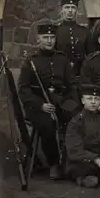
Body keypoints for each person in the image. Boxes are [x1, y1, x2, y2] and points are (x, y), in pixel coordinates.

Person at [17, 23, 81, 180]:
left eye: (52, 37)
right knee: (47, 125)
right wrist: (41, 105)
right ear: (38, 39)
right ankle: (54, 163)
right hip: (39, 105)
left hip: (61, 101)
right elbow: (23, 90)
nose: (49, 41)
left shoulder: (62, 59)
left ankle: (71, 160)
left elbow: (72, 84)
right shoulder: (30, 61)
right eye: (45, 37)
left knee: (77, 120)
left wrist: (73, 101)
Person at [55, 0, 92, 78]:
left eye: (73, 7)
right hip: (60, 74)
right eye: (67, 7)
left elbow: (90, 55)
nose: (70, 11)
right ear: (61, 10)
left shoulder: (85, 32)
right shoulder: (56, 31)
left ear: (77, 10)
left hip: (81, 74)